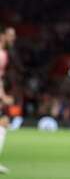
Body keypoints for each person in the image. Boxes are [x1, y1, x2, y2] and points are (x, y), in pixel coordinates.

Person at [0, 27, 16, 175]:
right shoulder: (1, 54)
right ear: (2, 35)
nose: (13, 38)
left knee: (3, 122)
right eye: (10, 35)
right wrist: (3, 96)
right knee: (3, 122)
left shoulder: (4, 53)